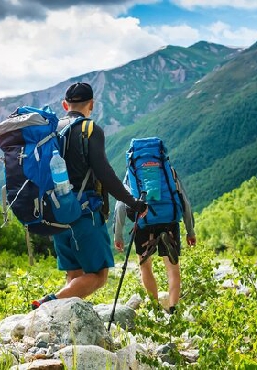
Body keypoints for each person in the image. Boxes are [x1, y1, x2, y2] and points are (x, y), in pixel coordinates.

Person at [32, 82, 147, 309]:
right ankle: (48, 304)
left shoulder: (51, 131)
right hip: (84, 214)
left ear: (65, 105)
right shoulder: (89, 129)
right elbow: (104, 173)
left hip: (55, 214)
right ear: (91, 104)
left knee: (74, 276)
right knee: (98, 275)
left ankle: (64, 323)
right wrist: (132, 202)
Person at [113, 173, 196, 315]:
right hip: (169, 221)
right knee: (173, 269)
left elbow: (121, 204)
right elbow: (184, 201)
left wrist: (118, 235)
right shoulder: (167, 169)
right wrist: (190, 231)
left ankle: (156, 308)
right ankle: (173, 310)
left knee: (145, 267)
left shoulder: (132, 170)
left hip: (143, 222)